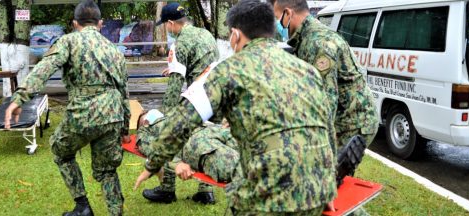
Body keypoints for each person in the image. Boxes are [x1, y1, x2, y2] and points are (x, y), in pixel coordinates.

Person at [134, 0, 336, 214]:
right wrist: (328, 184)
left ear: (236, 35)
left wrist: (153, 164)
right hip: (314, 191)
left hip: (264, 194)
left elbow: (181, 122)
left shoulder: (228, 71)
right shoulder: (307, 70)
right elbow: (326, 127)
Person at [4, 1, 130, 215]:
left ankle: (82, 207)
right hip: (113, 113)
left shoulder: (68, 41)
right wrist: (125, 127)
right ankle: (116, 212)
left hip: (83, 113)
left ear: (74, 23)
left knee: (60, 151)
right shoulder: (114, 49)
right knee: (107, 169)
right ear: (100, 24)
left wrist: (19, 98)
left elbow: (45, 67)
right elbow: (124, 91)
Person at [270, 0, 378, 152]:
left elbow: (324, 104)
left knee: (322, 168)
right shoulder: (306, 38)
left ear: (288, 13)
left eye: (276, 17)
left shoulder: (318, 43)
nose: (276, 25)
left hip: (352, 124)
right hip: (345, 117)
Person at [144, 2, 220, 204]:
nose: (167, 30)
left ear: (170, 23)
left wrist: (166, 116)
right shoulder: (206, 35)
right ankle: (206, 191)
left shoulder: (179, 43)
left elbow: (175, 85)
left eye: (165, 26)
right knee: (209, 143)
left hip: (197, 101)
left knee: (172, 135)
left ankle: (167, 189)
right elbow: (206, 66)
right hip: (216, 97)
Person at [135, 109, 240, 204]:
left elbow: (153, 150)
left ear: (145, 122)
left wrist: (177, 163)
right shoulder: (179, 116)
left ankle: (167, 191)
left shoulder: (146, 128)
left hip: (198, 142)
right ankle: (205, 192)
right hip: (212, 130)